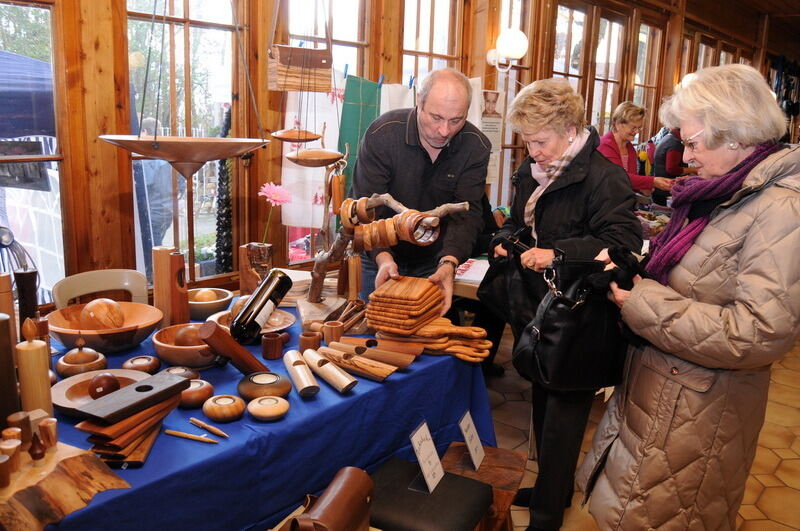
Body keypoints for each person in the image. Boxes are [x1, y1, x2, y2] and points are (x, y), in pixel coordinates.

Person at [577, 64, 800, 530]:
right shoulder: (723, 192)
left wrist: (641, 303)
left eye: (693, 143)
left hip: (699, 413)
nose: (686, 155)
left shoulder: (781, 208)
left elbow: (758, 333)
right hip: (664, 395)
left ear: (736, 137)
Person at [485, 78, 642, 530]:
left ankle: (548, 514)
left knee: (565, 415)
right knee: (541, 399)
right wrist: (505, 241)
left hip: (580, 313)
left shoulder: (603, 176)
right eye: (527, 142)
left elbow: (624, 244)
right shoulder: (528, 172)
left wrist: (559, 253)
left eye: (540, 141)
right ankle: (552, 488)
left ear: (571, 130)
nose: (533, 152)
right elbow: (516, 223)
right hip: (539, 308)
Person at [351, 68, 491, 314]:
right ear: (419, 102)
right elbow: (365, 209)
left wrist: (449, 263)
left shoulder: (475, 146)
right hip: (381, 250)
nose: (445, 131)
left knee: (430, 330)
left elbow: (467, 214)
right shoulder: (383, 134)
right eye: (436, 117)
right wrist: (383, 259)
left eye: (456, 120)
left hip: (436, 255)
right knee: (374, 328)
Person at [598, 101, 673, 195]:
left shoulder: (630, 148)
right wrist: (652, 181)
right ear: (618, 124)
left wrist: (641, 189)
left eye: (639, 128)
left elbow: (630, 179)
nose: (637, 131)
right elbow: (618, 177)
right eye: (633, 128)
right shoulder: (605, 145)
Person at [651, 127, 697, 204]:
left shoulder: (667, 137)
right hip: (666, 190)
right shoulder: (675, 143)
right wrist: (695, 170)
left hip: (660, 188)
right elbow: (672, 169)